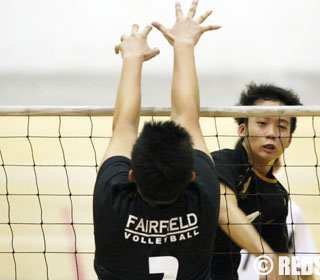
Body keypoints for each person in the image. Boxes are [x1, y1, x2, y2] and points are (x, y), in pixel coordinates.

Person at [93, 1, 221, 279]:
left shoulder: (112, 202)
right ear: (191, 176)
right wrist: (184, 44)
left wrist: (132, 58)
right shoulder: (205, 198)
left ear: (130, 175)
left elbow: (123, 127)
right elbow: (187, 116)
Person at [211, 83, 303, 280]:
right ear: (242, 129)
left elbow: (280, 262)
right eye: (262, 123)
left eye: (281, 126)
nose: (271, 133)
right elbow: (224, 210)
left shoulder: (277, 197)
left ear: (289, 140)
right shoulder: (222, 163)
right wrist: (266, 255)